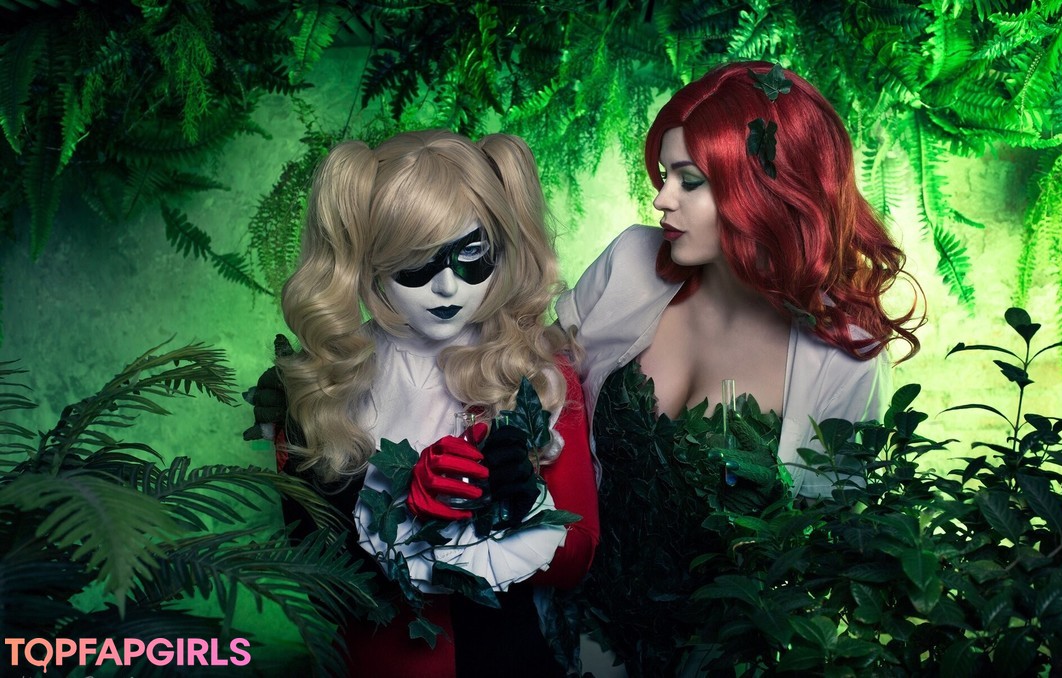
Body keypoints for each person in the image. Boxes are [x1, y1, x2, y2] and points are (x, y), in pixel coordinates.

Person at [555, 61, 923, 675]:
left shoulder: (845, 355)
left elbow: (831, 558)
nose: (661, 198)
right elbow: (539, 388)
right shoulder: (629, 263)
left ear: (765, 190)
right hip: (567, 633)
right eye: (665, 176)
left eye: (690, 181)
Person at [264, 129, 599, 677]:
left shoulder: (538, 374)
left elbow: (579, 558)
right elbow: (311, 579)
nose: (447, 287)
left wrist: (521, 507)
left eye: (472, 255)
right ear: (368, 258)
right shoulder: (322, 383)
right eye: (416, 261)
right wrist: (386, 520)